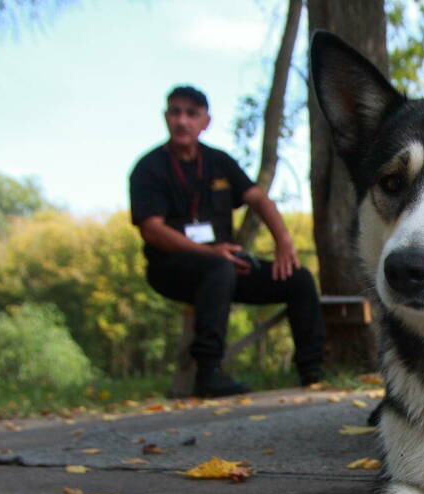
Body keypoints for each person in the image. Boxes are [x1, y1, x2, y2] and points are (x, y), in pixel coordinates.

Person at [129, 85, 325, 397]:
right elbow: (152, 229)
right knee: (218, 266)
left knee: (298, 279)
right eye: (175, 112)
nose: (182, 121)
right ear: (166, 117)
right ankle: (208, 374)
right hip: (171, 268)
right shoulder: (148, 168)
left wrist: (284, 241)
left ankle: (312, 373)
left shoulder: (218, 162)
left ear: (205, 121)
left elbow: (258, 198)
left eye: (191, 114)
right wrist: (209, 252)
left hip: (227, 265)